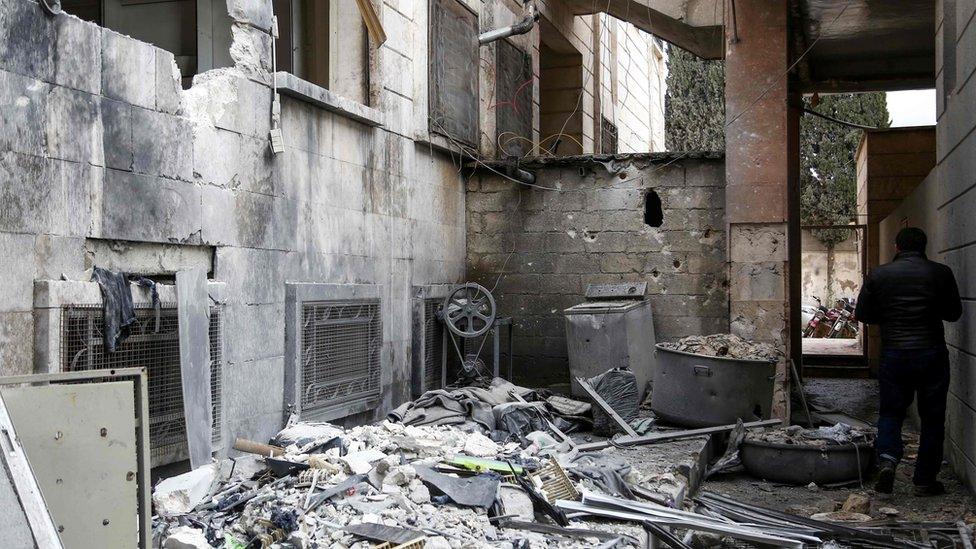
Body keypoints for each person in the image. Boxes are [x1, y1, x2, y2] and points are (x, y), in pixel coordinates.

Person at [855, 227, 962, 496]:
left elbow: (862, 313)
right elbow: (953, 313)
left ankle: (888, 461)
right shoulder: (940, 273)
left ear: (896, 247)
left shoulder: (879, 274)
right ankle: (925, 480)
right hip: (931, 354)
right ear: (924, 247)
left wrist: (891, 317)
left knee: (891, 412)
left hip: (894, 354)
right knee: (933, 418)